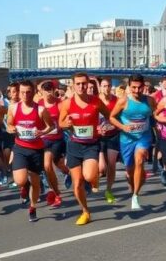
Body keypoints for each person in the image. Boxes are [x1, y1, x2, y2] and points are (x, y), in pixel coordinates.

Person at [58, 72, 110, 225]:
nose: (81, 86)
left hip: (91, 145)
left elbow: (109, 116)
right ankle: (85, 212)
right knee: (78, 183)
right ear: (73, 85)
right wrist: (65, 125)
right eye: (78, 84)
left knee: (88, 176)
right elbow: (60, 123)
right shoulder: (67, 103)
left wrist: (104, 126)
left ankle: (93, 179)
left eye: (84, 84)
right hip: (74, 145)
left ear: (88, 85)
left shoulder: (95, 102)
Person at [6, 80, 54, 222]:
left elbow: (51, 126)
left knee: (35, 182)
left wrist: (42, 132)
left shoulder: (41, 110)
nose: (25, 95)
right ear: (19, 93)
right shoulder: (13, 108)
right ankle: (24, 187)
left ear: (33, 93)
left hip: (36, 150)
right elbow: (9, 124)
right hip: (20, 148)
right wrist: (11, 129)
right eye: (22, 92)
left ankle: (33, 207)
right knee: (20, 180)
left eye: (28, 92)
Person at [109, 74, 155, 211]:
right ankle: (134, 181)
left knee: (140, 160)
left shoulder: (150, 101)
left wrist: (162, 119)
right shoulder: (123, 101)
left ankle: (135, 196)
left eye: (139, 87)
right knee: (130, 170)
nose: (137, 91)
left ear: (144, 87)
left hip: (144, 137)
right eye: (134, 87)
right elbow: (111, 117)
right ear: (129, 87)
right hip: (127, 139)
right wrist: (123, 127)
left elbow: (156, 113)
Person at [39, 81, 67, 208]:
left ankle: (73, 176)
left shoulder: (60, 104)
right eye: (46, 90)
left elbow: (64, 121)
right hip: (43, 139)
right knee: (48, 166)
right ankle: (55, 192)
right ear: (41, 92)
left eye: (50, 90)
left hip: (56, 139)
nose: (48, 93)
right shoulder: (38, 104)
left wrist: (63, 125)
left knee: (57, 166)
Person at [97, 77, 120, 204]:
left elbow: (120, 119)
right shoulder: (95, 101)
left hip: (113, 135)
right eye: (104, 86)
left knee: (111, 165)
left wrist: (113, 126)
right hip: (99, 136)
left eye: (109, 86)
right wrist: (97, 128)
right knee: (101, 168)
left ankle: (108, 190)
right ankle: (91, 182)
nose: (106, 88)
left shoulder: (116, 101)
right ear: (100, 87)